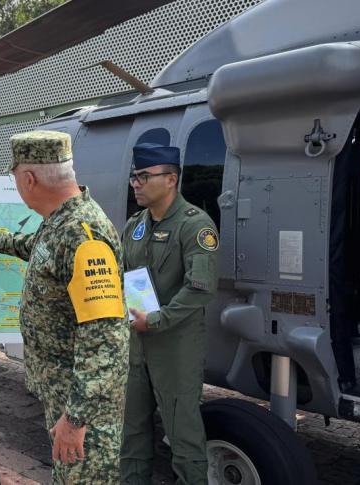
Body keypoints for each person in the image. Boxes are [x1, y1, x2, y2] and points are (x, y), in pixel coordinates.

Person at [0, 131, 129, 483]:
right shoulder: (59, 223)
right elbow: (39, 249)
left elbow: (107, 339)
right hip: (63, 393)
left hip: (83, 409)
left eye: (14, 176)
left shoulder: (84, 236)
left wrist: (76, 418)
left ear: (28, 178)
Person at [120, 143, 220, 485]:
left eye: (144, 176)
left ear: (170, 180)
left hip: (175, 347)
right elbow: (121, 272)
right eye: (134, 176)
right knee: (130, 432)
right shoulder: (136, 225)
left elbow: (201, 288)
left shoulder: (195, 225)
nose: (136, 183)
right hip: (137, 344)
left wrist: (158, 320)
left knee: (184, 436)